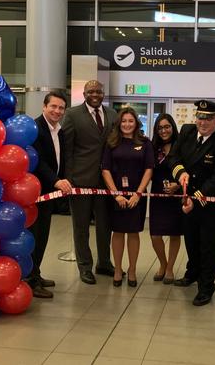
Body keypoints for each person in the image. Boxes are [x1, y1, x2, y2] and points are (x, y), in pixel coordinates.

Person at [167, 100, 215, 306]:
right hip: (189, 201)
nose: (202, 122)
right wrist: (180, 173)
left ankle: (206, 287)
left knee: (209, 248)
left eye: (208, 118)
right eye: (200, 116)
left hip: (211, 205)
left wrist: (194, 200)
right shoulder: (187, 132)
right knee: (191, 241)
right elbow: (173, 157)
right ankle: (192, 273)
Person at [63, 80, 117, 285]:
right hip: (80, 181)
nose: (95, 94)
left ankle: (104, 263)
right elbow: (68, 149)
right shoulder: (72, 114)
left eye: (99, 91)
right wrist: (68, 179)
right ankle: (85, 267)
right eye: (91, 91)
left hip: (105, 181)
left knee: (105, 225)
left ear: (103, 94)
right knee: (81, 227)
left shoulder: (112, 114)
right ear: (84, 94)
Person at [102, 107, 154, 287]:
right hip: (117, 196)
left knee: (133, 232)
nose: (127, 124)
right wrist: (116, 194)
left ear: (136, 123)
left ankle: (132, 270)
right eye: (124, 121)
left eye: (130, 121)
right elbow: (105, 170)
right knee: (117, 232)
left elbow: (149, 169)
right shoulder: (111, 142)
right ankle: (117, 269)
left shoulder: (145, 143)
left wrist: (138, 193)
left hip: (136, 196)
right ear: (119, 123)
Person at [28, 91, 72, 298]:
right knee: (33, 237)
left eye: (61, 108)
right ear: (44, 107)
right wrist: (56, 180)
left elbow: (58, 161)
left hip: (48, 193)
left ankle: (36, 273)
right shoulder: (36, 129)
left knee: (43, 236)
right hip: (34, 192)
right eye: (53, 106)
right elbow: (38, 161)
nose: (57, 111)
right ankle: (29, 280)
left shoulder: (59, 131)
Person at [149, 113, 183, 284]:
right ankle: (162, 263)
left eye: (167, 126)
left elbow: (188, 169)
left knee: (175, 233)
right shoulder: (153, 147)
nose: (164, 130)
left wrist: (178, 185)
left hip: (176, 195)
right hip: (158, 196)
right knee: (155, 235)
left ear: (172, 127)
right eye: (160, 128)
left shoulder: (181, 146)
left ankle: (170, 268)